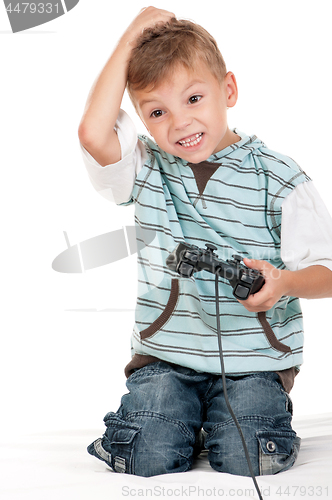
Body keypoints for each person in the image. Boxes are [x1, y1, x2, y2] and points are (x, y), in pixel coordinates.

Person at [78, 7, 332, 478]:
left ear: (228, 90)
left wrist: (284, 283)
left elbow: (327, 273)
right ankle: (183, 419)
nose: (180, 123)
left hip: (254, 361)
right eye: (157, 112)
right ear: (141, 118)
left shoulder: (279, 177)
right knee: (146, 455)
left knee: (249, 459)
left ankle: (217, 417)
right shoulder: (147, 168)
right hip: (167, 357)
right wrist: (132, 35)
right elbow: (93, 133)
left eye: (194, 98)